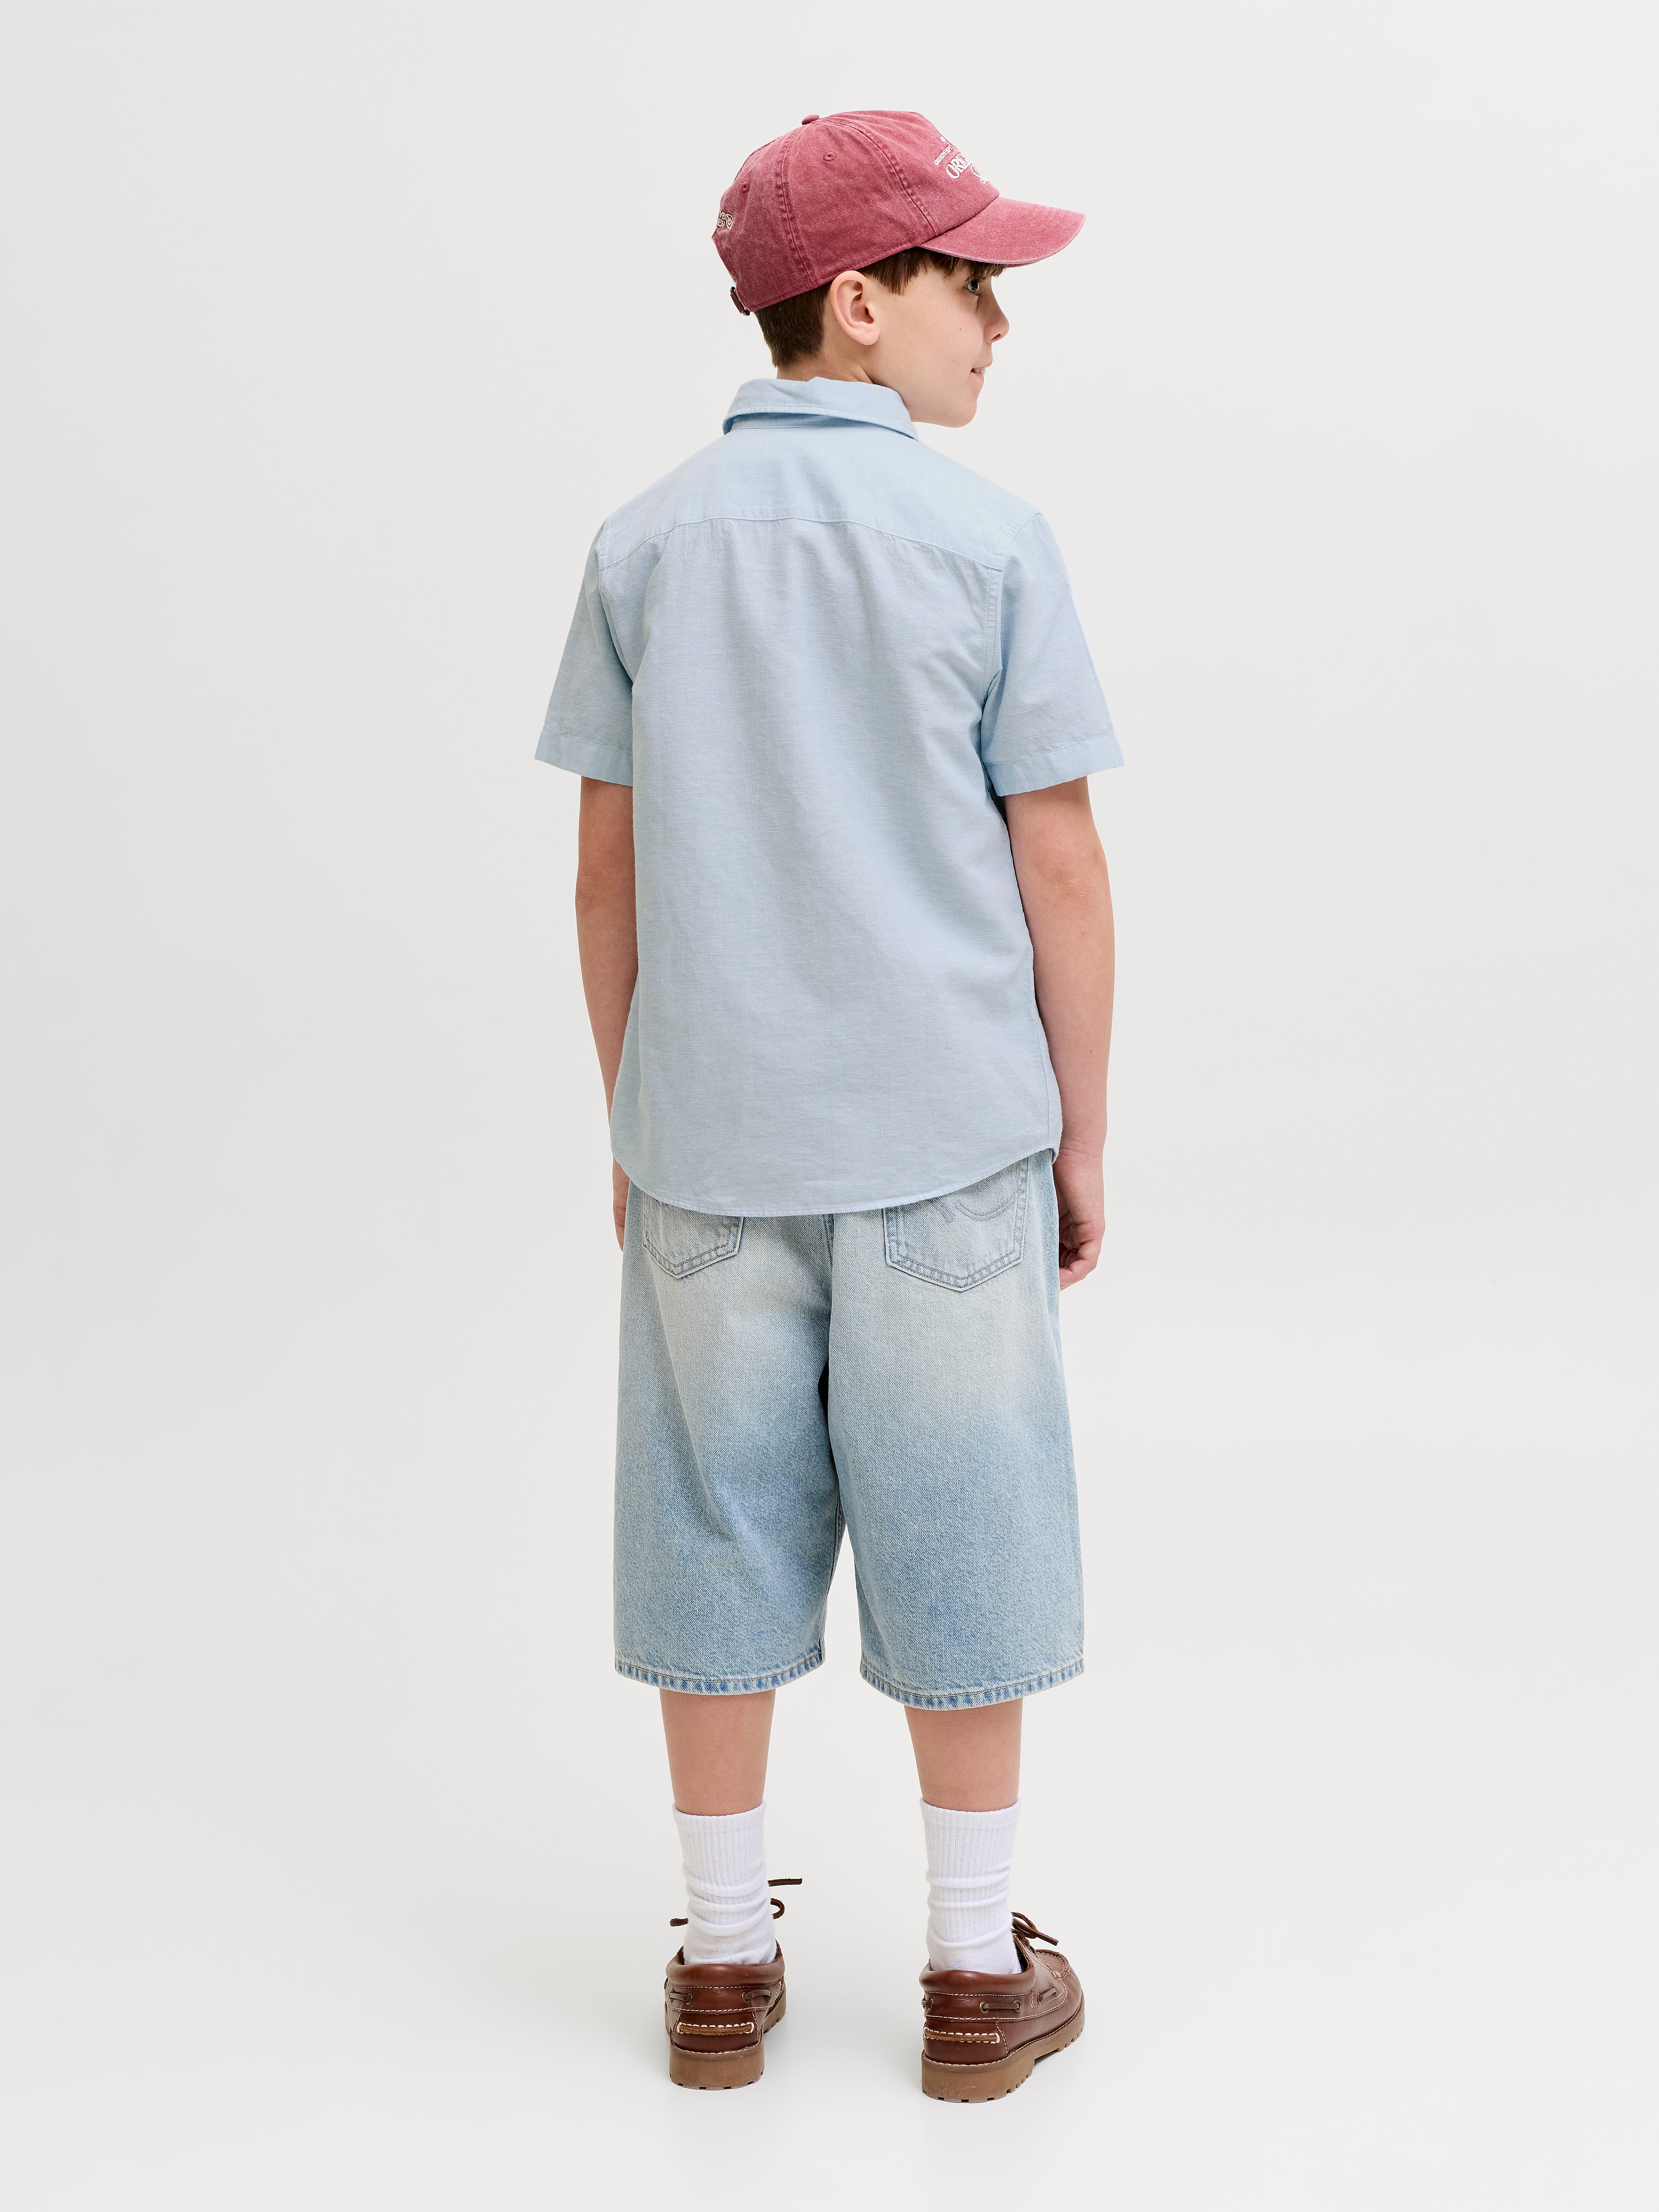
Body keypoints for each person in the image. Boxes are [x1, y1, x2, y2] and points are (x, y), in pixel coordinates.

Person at [536, 109, 1119, 2101]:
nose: (1000, 324)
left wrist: (636, 1117)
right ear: (860, 303)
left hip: (709, 1148)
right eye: (974, 285)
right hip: (948, 1140)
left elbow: (604, 875)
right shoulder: (990, 542)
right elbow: (1060, 865)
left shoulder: (645, 542)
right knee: (969, 1525)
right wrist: (1082, 1131)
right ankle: (970, 1969)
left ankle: (721, 1962)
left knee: (709, 1523)